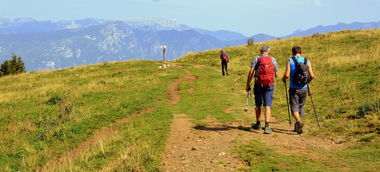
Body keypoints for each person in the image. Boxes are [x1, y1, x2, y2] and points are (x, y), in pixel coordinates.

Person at [246, 45, 278, 134]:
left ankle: (258, 124)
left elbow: (251, 72)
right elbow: (276, 74)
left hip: (258, 84)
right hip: (270, 85)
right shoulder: (273, 59)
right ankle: (267, 127)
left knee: (258, 104)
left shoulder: (256, 58)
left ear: (260, 51)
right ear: (269, 51)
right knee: (267, 105)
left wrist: (248, 84)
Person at [282, 46, 315, 134]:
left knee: (294, 109)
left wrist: (283, 79)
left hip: (294, 89)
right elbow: (312, 75)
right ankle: (297, 128)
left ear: (292, 52)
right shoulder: (306, 60)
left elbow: (287, 75)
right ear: (301, 52)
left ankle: (299, 121)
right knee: (300, 107)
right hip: (304, 89)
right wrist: (306, 82)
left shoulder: (290, 60)